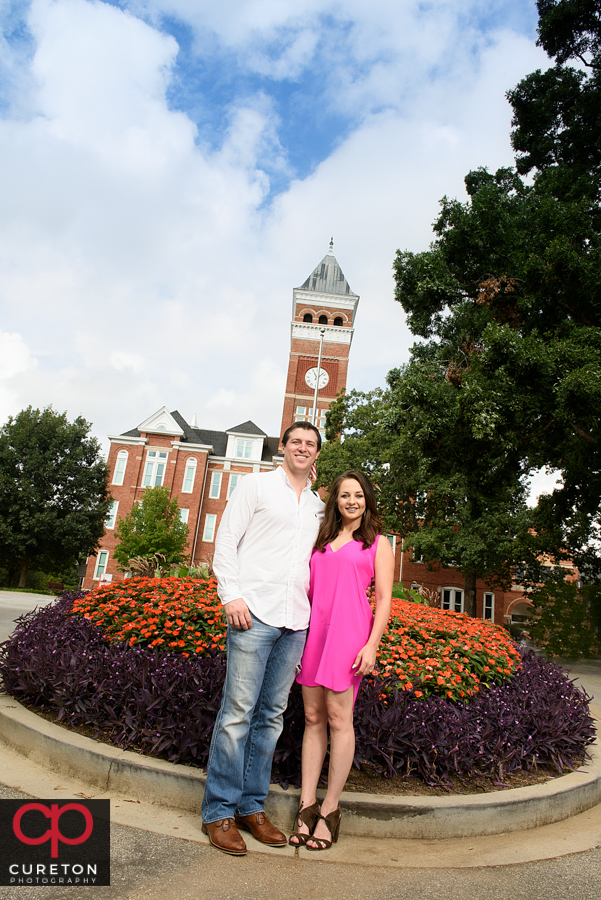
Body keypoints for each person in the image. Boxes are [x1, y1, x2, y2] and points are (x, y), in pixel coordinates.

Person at [201, 422, 324, 856]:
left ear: (316, 455)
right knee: (237, 713)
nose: (302, 449)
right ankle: (219, 813)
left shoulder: (316, 507)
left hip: (296, 622)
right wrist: (230, 595)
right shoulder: (255, 486)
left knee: (271, 716)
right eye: (296, 442)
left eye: (310, 444)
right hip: (252, 615)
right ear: (284, 448)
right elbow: (227, 541)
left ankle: (252, 808)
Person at [290, 470, 393, 850]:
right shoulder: (320, 540)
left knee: (338, 720)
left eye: (359, 495)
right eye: (345, 495)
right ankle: (307, 803)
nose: (352, 501)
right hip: (314, 636)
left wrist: (372, 645)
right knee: (313, 718)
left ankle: (331, 808)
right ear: (335, 500)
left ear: (367, 501)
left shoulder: (378, 544)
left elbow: (384, 600)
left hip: (349, 640)